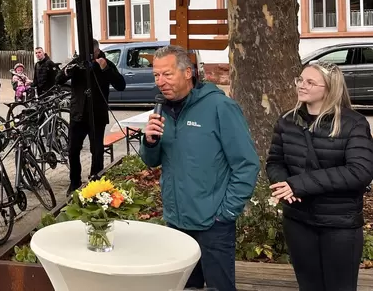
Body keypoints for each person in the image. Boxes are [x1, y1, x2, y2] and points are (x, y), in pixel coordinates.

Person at [140, 45, 259, 291]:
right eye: (156, 75)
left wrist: (225, 212)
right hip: (177, 221)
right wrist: (150, 142)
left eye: (167, 74)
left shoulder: (219, 107)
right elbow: (152, 161)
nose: (160, 82)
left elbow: (247, 164)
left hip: (212, 224)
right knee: (185, 287)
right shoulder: (161, 110)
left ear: (188, 73)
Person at [266, 61, 373, 291]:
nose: (301, 86)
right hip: (298, 222)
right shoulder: (287, 121)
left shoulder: (353, 124)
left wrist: (298, 184)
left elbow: (360, 172)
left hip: (339, 225)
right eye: (300, 80)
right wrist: (283, 184)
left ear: (329, 88)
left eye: (310, 82)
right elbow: (275, 162)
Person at [57, 40, 125, 190]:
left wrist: (106, 69)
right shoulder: (76, 63)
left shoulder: (105, 63)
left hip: (97, 115)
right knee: (73, 149)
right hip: (78, 115)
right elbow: (59, 79)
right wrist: (67, 72)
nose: (87, 57)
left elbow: (121, 85)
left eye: (91, 53)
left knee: (97, 150)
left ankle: (96, 181)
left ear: (97, 51)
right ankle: (75, 183)